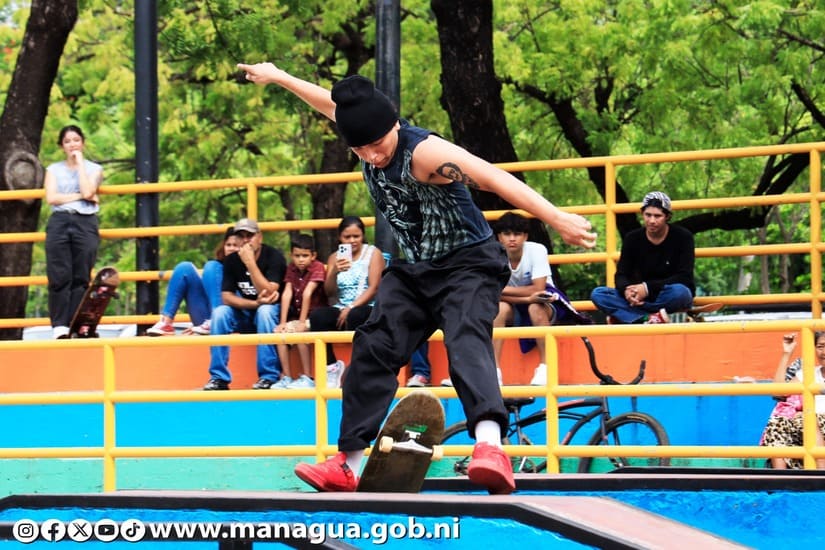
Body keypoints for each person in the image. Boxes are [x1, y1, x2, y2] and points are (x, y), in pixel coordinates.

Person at [237, 62, 595, 495]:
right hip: (417, 270)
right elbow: (329, 102)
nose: (372, 156)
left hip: (469, 264)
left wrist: (555, 217)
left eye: (377, 145)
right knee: (373, 344)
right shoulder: (362, 126)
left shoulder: (425, 152)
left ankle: (490, 448)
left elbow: (492, 177)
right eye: (360, 151)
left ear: (392, 125)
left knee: (465, 333)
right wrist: (278, 76)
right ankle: (348, 464)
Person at [492, 212, 587, 386]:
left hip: (544, 301)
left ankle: (546, 367)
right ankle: (494, 370)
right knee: (499, 308)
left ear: (525, 236)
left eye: (517, 234)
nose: (512, 239)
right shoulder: (492, 254)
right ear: (499, 237)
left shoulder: (537, 250)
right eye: (507, 234)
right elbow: (491, 293)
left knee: (536, 306)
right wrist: (527, 298)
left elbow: (539, 288)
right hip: (516, 304)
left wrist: (504, 291)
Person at [202, 218, 287, 391]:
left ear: (260, 237)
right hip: (248, 311)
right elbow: (226, 297)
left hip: (270, 315)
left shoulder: (274, 256)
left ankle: (268, 377)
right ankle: (218, 378)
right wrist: (255, 303)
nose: (246, 240)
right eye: (241, 236)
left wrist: (250, 263)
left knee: (265, 311)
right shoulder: (232, 260)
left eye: (250, 235)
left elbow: (269, 293)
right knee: (220, 313)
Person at [590, 191, 694, 324]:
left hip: (666, 294)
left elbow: (684, 277)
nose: (652, 221)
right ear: (642, 214)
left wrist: (647, 288)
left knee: (681, 292)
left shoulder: (683, 237)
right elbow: (621, 274)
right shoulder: (632, 238)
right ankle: (649, 318)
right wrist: (627, 290)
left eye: (657, 216)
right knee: (599, 294)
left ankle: (629, 316)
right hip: (638, 297)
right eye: (648, 215)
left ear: (667, 216)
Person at [307, 216, 385, 389]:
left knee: (356, 315)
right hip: (341, 307)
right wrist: (334, 271)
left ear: (363, 236)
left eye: (356, 236)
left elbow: (374, 287)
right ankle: (331, 367)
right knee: (318, 316)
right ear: (339, 238)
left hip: (366, 306)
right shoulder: (334, 257)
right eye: (347, 237)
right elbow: (329, 292)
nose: (352, 241)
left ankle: (359, 368)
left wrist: (351, 307)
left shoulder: (373, 253)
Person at [44, 125, 104, 339]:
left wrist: (79, 165)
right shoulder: (53, 169)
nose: (72, 145)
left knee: (81, 276)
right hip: (60, 221)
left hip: (85, 221)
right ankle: (59, 325)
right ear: (62, 146)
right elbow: (52, 198)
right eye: (67, 141)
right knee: (59, 275)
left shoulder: (94, 169)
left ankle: (76, 324)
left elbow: (88, 190)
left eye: (76, 140)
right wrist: (80, 196)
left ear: (83, 143)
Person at [146, 227, 242, 336]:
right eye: (228, 245)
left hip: (234, 320)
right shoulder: (217, 268)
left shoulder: (248, 267)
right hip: (208, 319)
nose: (231, 248)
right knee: (184, 268)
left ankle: (215, 320)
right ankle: (166, 322)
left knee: (212, 266)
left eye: (235, 245)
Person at [760, 331, 825, 469]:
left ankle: (821, 473)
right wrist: (786, 353)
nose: (824, 352)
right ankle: (781, 478)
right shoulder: (809, 374)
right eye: (820, 346)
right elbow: (779, 392)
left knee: (807, 418)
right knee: (778, 422)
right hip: (807, 425)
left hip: (811, 422)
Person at [273, 234, 327, 389]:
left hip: (314, 316)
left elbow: (307, 293)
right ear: (291, 255)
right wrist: (282, 323)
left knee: (299, 332)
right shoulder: (292, 268)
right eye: (297, 256)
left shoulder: (317, 267)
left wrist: (302, 323)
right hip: (298, 316)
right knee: (279, 334)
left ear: (313, 256)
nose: (301, 260)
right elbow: (287, 293)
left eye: (305, 256)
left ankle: (308, 377)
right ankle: (286, 376)